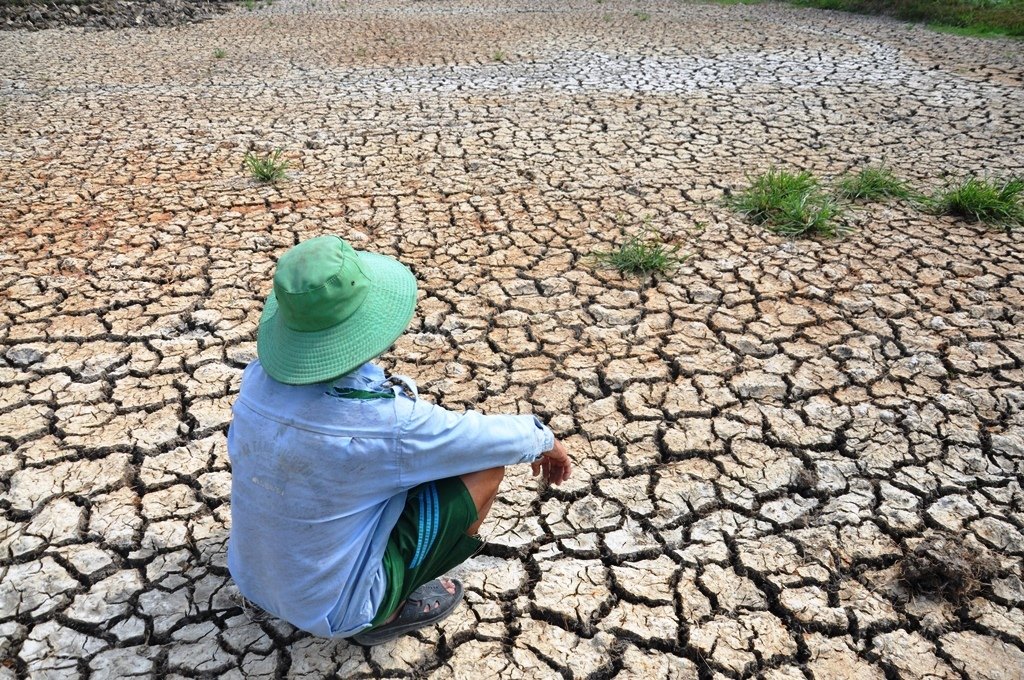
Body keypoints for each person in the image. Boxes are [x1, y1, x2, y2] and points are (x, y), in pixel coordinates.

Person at [227, 235, 572, 646]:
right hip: (339, 610)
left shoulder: (255, 382)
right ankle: (388, 610)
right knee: (484, 469)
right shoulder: (386, 422)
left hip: (251, 576)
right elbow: (485, 440)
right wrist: (545, 439)